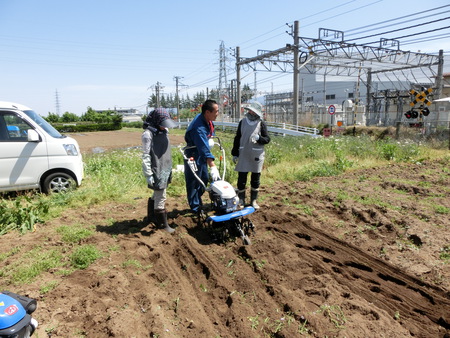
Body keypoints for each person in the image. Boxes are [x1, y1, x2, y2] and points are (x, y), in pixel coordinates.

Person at [142, 108, 176, 233]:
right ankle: (162, 225)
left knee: (157, 193)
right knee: (161, 195)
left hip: (165, 167)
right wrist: (148, 174)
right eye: (162, 124)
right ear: (156, 122)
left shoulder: (164, 131)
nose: (164, 127)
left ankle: (152, 217)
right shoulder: (148, 134)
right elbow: (146, 155)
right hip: (156, 168)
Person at [184, 99, 221, 217]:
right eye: (216, 111)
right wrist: (213, 166)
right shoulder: (198, 127)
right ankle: (195, 208)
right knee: (194, 181)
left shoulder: (207, 121)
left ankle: (197, 201)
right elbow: (203, 148)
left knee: (204, 178)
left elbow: (208, 139)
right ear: (207, 112)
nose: (218, 113)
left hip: (201, 154)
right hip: (193, 154)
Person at [231, 101, 270, 210]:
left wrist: (259, 138)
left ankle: (253, 200)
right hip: (244, 153)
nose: (251, 112)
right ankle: (241, 199)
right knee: (242, 178)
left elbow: (267, 139)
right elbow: (237, 137)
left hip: (256, 154)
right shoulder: (242, 122)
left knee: (255, 178)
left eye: (253, 111)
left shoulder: (261, 123)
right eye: (250, 110)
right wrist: (235, 153)